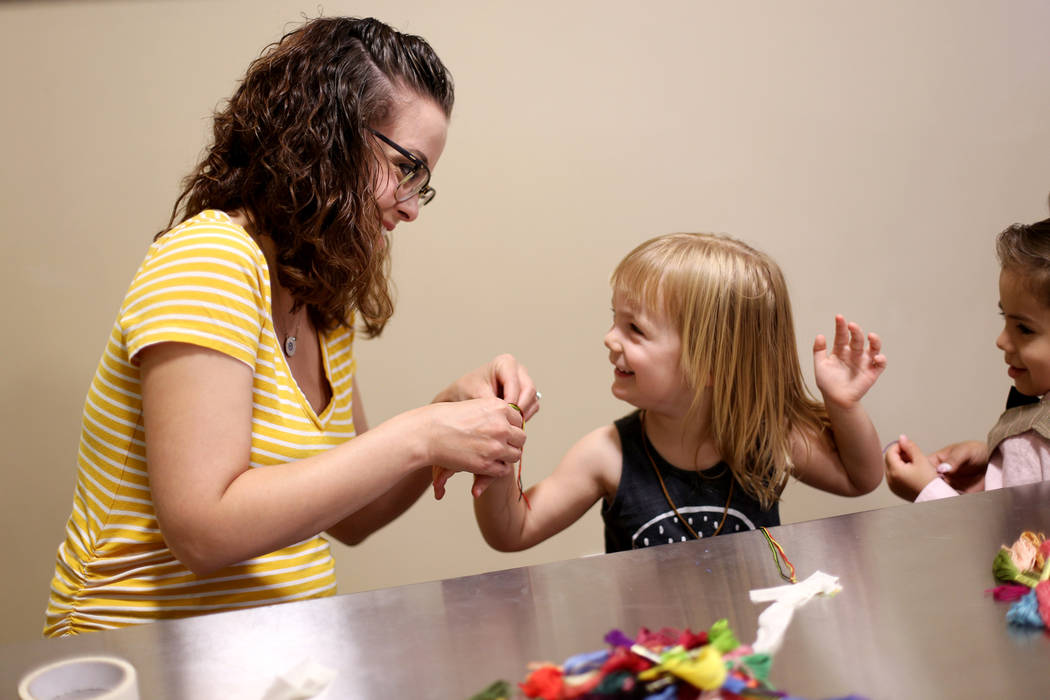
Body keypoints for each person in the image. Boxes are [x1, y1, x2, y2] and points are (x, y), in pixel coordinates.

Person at [44, 16, 539, 637]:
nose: (411, 206)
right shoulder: (210, 258)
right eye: (406, 168)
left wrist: (447, 413)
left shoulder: (319, 292)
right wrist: (422, 434)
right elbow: (202, 530)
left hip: (274, 656)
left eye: (424, 185)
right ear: (327, 135)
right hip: (143, 659)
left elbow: (351, 518)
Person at [471, 233, 886, 553]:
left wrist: (843, 405)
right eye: (615, 320)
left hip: (746, 658)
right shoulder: (606, 455)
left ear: (710, 362)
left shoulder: (769, 438)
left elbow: (859, 479)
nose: (610, 339)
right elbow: (513, 531)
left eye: (635, 329)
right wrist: (498, 455)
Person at [885, 217, 1050, 501]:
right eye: (1005, 318)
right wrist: (994, 461)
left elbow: (1014, 539)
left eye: (1024, 328)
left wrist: (927, 490)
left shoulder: (1033, 445)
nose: (1002, 341)